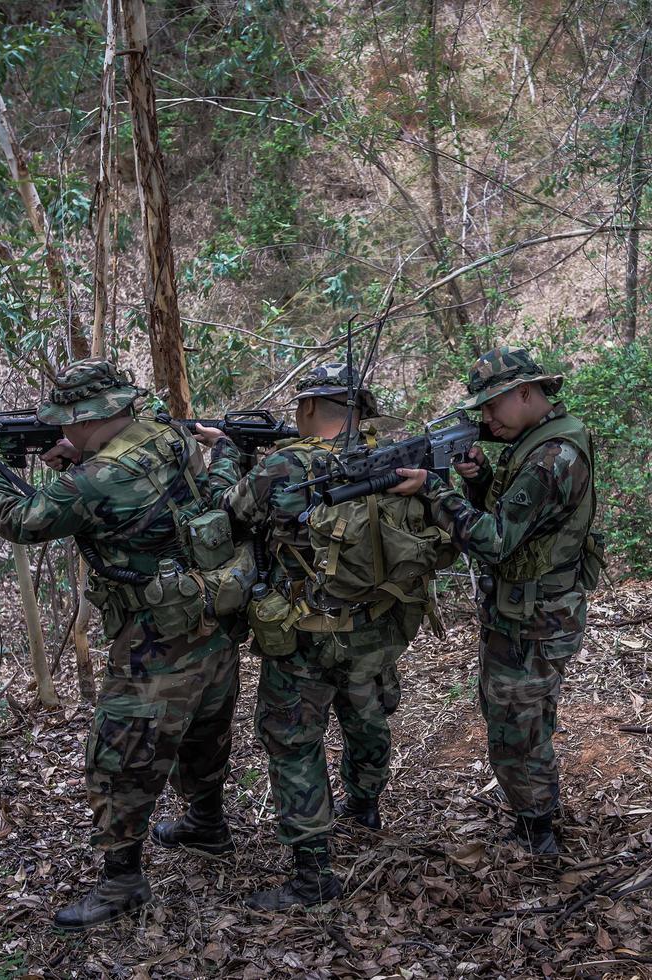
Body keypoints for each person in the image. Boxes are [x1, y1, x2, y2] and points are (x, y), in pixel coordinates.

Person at [0, 359, 245, 930]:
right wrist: (81, 459)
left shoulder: (96, 478)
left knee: (121, 756)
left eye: (68, 424)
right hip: (211, 617)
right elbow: (157, 489)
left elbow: (24, 521)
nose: (63, 433)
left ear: (88, 417)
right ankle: (206, 824)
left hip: (155, 640)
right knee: (205, 729)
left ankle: (123, 880)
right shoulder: (168, 436)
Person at [214, 364, 427, 911]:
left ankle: (313, 875)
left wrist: (229, 454)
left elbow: (228, 517)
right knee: (368, 717)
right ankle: (365, 807)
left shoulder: (286, 464)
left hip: (302, 636)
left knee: (294, 744)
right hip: (376, 626)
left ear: (310, 408)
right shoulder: (402, 462)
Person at [391, 346, 600, 856]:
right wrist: (479, 479)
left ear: (526, 394)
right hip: (525, 611)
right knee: (514, 716)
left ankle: (538, 835)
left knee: (518, 724)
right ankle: (535, 818)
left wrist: (434, 493)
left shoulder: (552, 457)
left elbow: (497, 540)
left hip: (535, 617)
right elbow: (521, 523)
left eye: (491, 406)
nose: (485, 418)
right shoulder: (539, 442)